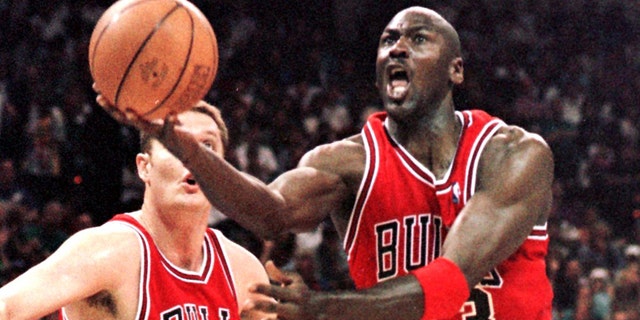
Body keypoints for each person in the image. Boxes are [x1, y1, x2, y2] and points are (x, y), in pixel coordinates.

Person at [99, 6, 554, 320]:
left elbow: (448, 283)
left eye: (418, 39)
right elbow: (271, 214)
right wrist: (181, 145)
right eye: (388, 40)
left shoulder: (513, 155)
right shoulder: (347, 163)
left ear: (456, 69)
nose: (397, 49)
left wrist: (320, 308)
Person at [0, 101, 272, 320]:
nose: (194, 158)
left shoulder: (244, 272)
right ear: (145, 167)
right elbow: (7, 307)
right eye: (177, 144)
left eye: (207, 146)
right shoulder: (107, 252)